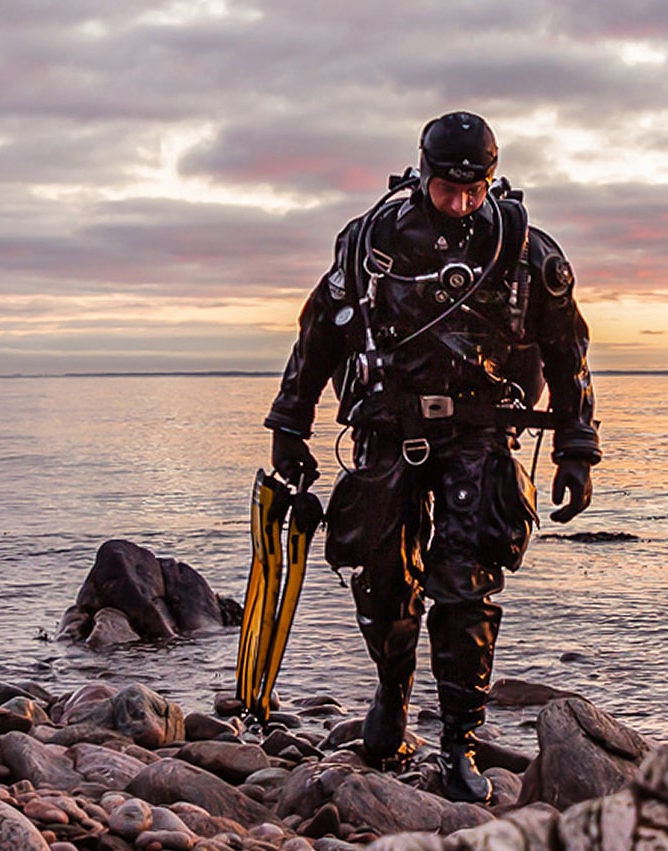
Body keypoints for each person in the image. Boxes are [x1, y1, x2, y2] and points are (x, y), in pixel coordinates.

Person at [264, 111, 600, 804]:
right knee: (381, 579)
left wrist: (577, 447)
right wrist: (289, 424)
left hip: (481, 432)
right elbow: (319, 332)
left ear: (491, 178)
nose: (462, 201)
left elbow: (569, 353)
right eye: (449, 188)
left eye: (475, 189)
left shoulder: (524, 251)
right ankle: (391, 695)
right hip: (388, 425)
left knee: (466, 588)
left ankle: (459, 741)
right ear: (422, 174)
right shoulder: (370, 243)